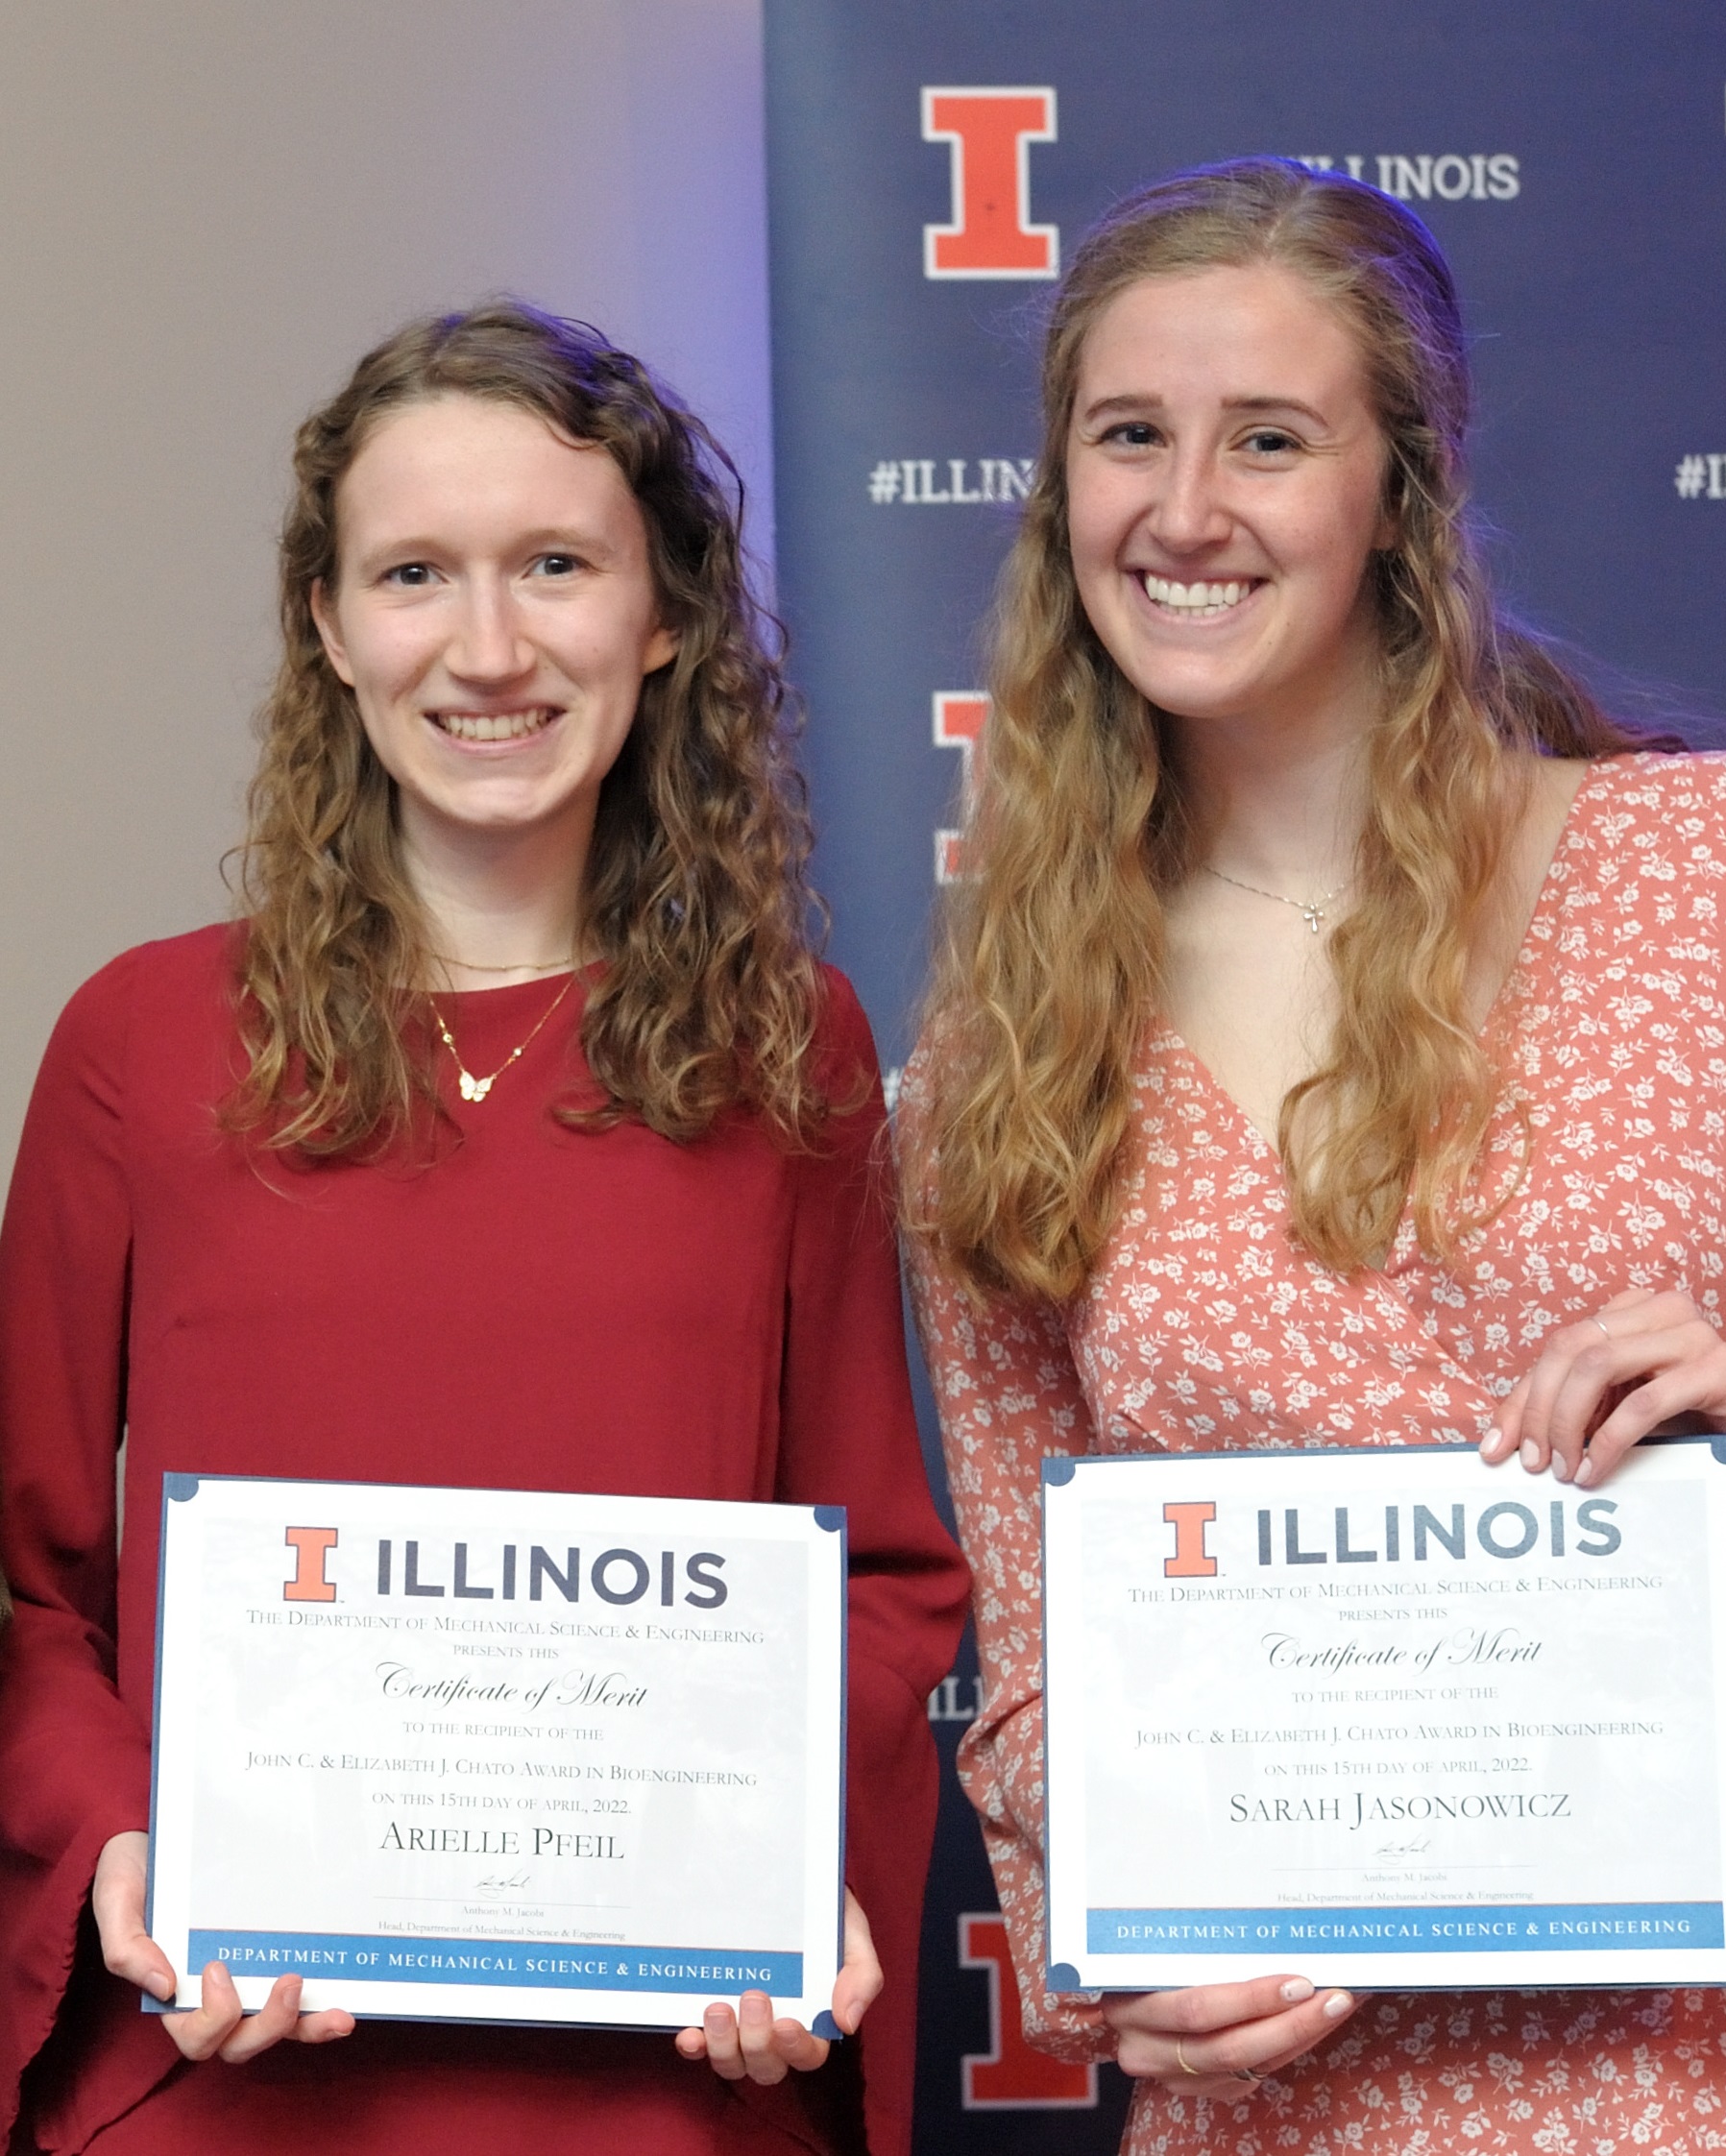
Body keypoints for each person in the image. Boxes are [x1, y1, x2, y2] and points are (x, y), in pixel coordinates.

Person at [898, 159, 1726, 2152]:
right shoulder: (1002, 1054)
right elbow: (1037, 1638)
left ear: (1405, 488)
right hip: (1311, 2090)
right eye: (1130, 436)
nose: (1188, 510)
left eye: (1271, 439)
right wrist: (1115, 1963)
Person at [0, 302, 967, 2156]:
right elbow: (34, 1586)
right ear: (330, 626)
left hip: (657, 2094)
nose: (491, 645)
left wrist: (782, 1869)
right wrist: (124, 1838)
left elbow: (881, 1577)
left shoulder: (793, 1047)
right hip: (226, 2080)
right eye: (415, 573)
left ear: (663, 614)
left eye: (555, 565)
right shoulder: (140, 1042)